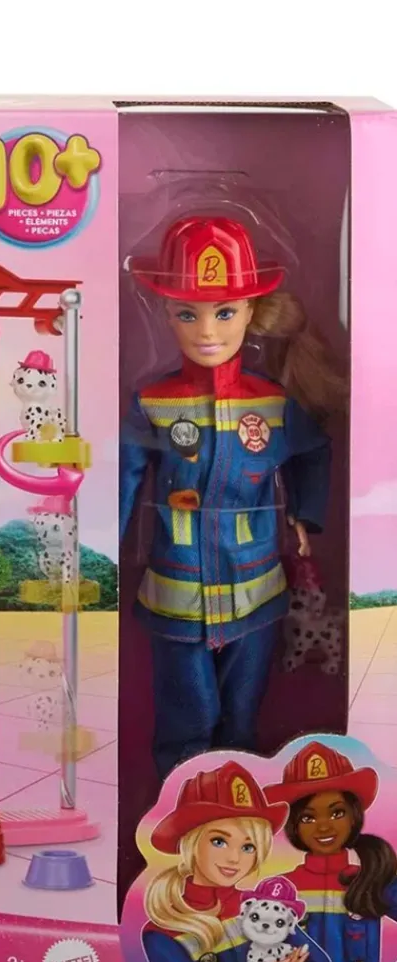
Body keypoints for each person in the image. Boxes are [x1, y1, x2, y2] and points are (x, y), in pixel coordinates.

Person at [120, 215, 343, 777]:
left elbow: (315, 449)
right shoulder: (154, 401)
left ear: (251, 312)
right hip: (177, 593)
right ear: (165, 313)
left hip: (256, 588)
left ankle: (238, 803)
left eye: (224, 313)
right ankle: (183, 800)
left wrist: (304, 513)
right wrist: (103, 550)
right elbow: (124, 476)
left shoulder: (272, 402)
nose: (206, 331)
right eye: (186, 314)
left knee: (242, 718)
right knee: (187, 718)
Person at [142, 760, 330, 962]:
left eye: (248, 847)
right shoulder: (162, 932)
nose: (234, 858)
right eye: (219, 841)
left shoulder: (261, 904)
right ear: (191, 842)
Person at [265, 740, 397, 962]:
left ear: (354, 816)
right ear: (294, 825)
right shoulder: (279, 890)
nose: (324, 826)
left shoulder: (373, 879)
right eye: (308, 817)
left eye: (337, 813)